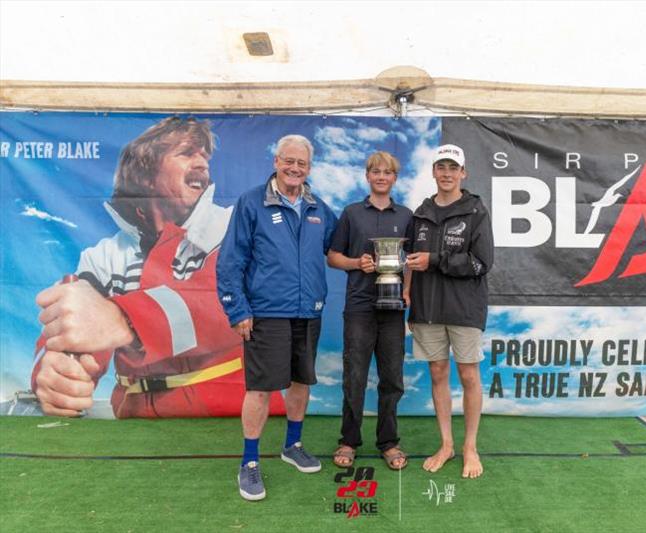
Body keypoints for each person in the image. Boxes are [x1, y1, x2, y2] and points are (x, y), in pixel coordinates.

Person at [31, 117, 279, 418]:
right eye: (187, 153)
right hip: (133, 422)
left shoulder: (233, 225)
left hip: (231, 417)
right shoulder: (103, 256)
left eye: (204, 155)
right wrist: (56, 373)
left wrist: (122, 318)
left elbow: (236, 303)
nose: (202, 163)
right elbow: (72, 326)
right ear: (146, 176)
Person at [217, 134, 337, 502]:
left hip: (308, 310)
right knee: (261, 389)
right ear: (276, 161)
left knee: (301, 383)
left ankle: (292, 445)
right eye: (289, 161)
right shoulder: (251, 203)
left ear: (309, 168)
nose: (295, 168)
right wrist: (237, 309)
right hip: (266, 314)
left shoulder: (319, 208)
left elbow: (341, 247)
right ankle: (249, 462)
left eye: (301, 164)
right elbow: (229, 262)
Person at [405, 144, 494, 479]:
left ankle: (470, 446)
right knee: (438, 373)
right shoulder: (421, 213)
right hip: (427, 308)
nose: (446, 173)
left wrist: (436, 260)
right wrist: (406, 289)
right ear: (433, 172)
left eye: (452, 168)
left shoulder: (475, 211)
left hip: (464, 308)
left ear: (463, 173)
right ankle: (447, 444)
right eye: (441, 167)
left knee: (469, 375)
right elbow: (413, 258)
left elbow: (482, 262)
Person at [327, 151, 413, 471]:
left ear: (394, 178)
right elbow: (333, 257)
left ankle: (388, 442)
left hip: (392, 311)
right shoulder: (351, 214)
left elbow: (413, 260)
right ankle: (349, 440)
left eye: (387, 172)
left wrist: (406, 290)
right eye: (375, 171)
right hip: (360, 306)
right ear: (367, 176)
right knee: (354, 377)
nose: (381, 177)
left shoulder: (406, 215)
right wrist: (356, 263)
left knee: (392, 378)